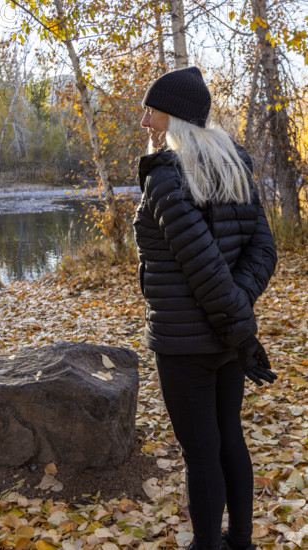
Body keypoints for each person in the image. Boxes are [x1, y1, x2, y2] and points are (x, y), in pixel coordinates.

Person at [132, 66, 278, 550]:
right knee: (228, 438)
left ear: (173, 115)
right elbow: (260, 252)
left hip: (185, 342)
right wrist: (238, 322)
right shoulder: (231, 165)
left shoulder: (168, 179)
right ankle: (240, 542)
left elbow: (205, 267)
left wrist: (238, 328)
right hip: (222, 336)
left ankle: (210, 546)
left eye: (151, 110)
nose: (144, 120)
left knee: (203, 452)